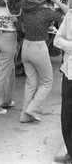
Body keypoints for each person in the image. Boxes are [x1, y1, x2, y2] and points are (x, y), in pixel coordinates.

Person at [54, 10, 72, 164]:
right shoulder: (70, 15)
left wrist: (68, 45)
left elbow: (63, 42)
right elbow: (57, 40)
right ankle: (70, 153)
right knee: (66, 115)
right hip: (69, 72)